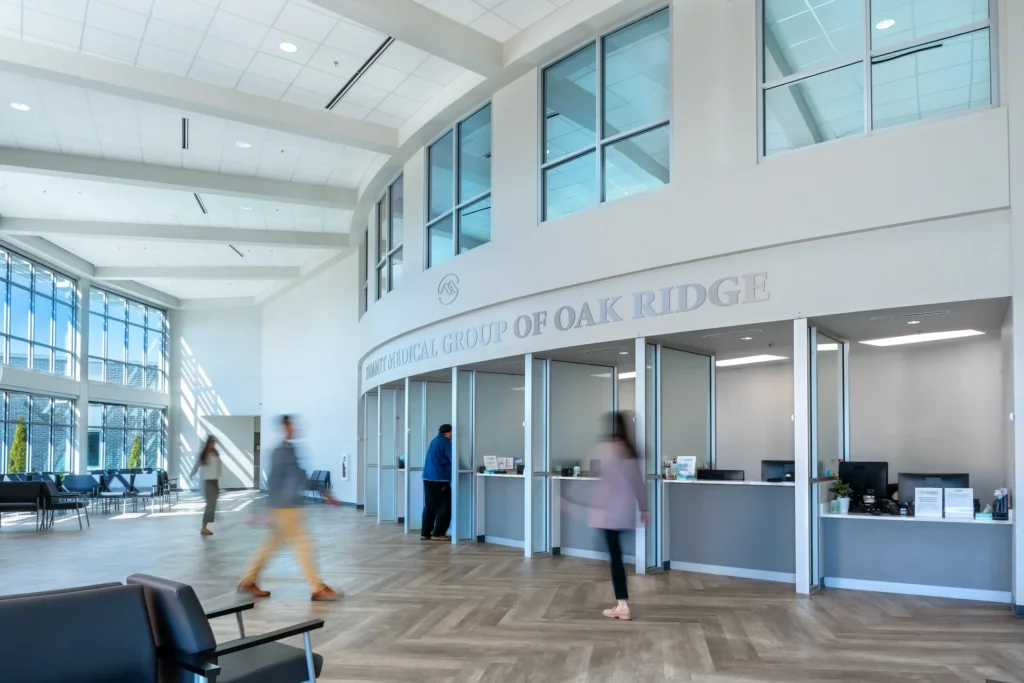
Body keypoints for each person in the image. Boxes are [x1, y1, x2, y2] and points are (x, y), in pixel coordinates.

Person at [238, 415, 343, 602]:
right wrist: (271, 508)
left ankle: (248, 580)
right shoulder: (280, 451)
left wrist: (325, 492)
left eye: (294, 426)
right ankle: (317, 587)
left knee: (270, 545)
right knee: (304, 544)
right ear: (284, 428)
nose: (294, 429)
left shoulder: (290, 449)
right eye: (291, 426)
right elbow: (274, 479)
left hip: (287, 506)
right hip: (286, 508)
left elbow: (301, 475)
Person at [591, 412, 648, 621]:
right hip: (624, 512)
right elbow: (637, 482)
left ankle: (622, 605)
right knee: (617, 556)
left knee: (615, 557)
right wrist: (644, 507)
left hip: (608, 513)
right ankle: (622, 602)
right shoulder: (631, 451)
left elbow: (603, 477)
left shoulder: (609, 449)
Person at [420, 423, 452, 541]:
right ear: (447, 433)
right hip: (440, 479)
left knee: (430, 506)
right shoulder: (445, 442)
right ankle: (438, 533)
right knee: (443, 507)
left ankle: (425, 532)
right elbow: (453, 458)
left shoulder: (435, 440)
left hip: (428, 478)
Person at [189, 436, 220, 536]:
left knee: (212, 504)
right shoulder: (204, 454)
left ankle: (205, 526)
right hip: (207, 481)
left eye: (214, 443)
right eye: (211, 442)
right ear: (208, 443)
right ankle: (203, 527)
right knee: (210, 505)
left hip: (214, 481)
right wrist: (192, 473)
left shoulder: (215, 453)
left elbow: (217, 468)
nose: (213, 444)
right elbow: (197, 465)